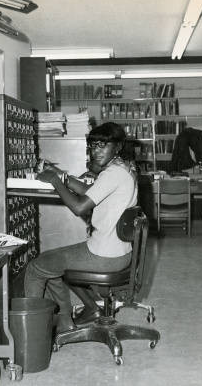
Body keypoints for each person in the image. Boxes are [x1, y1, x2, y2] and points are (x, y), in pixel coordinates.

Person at [24, 122, 138, 336]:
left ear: (118, 146)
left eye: (103, 145)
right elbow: (90, 190)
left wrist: (56, 181)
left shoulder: (113, 173)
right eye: (93, 145)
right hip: (119, 252)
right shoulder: (123, 169)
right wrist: (61, 175)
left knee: (37, 267)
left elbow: (79, 207)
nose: (96, 151)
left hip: (103, 256)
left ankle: (33, 332)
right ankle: (75, 316)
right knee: (54, 260)